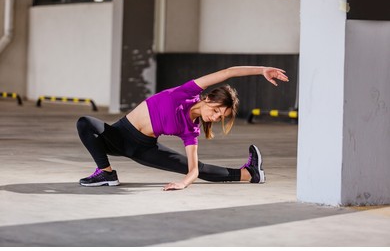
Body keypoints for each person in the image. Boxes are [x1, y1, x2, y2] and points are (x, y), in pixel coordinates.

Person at [77, 66, 289, 190]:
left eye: (220, 117)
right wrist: (262, 70)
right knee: (86, 123)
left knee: (199, 167)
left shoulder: (192, 129)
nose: (215, 118)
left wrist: (184, 182)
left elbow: (194, 170)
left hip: (144, 149)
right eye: (216, 111)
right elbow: (229, 72)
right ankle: (106, 173)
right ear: (207, 98)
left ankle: (250, 174)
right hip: (119, 136)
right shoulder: (186, 93)